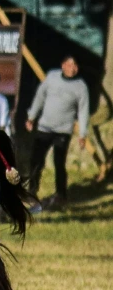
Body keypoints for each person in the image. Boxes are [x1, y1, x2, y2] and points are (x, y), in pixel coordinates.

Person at [23, 55, 92, 208]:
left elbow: (83, 111)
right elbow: (40, 97)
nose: (72, 68)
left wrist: (82, 134)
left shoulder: (81, 86)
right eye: (69, 64)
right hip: (45, 127)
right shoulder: (52, 77)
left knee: (59, 163)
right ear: (62, 65)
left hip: (63, 130)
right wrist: (32, 117)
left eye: (75, 65)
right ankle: (32, 192)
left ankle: (61, 195)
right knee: (36, 160)